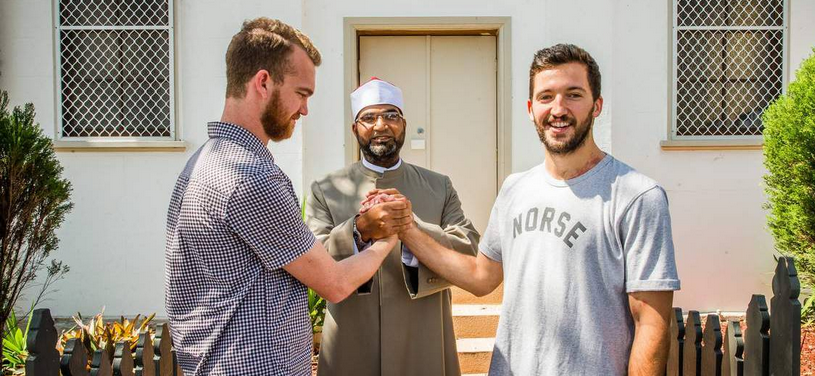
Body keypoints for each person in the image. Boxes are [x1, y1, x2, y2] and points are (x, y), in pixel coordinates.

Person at [398, 44, 680, 376]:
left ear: (597, 105)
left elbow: (651, 320)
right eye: (546, 97)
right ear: (531, 109)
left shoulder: (637, 195)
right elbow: (481, 277)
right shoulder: (514, 189)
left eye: (573, 95)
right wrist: (408, 230)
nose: (558, 108)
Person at [165, 19, 404, 376]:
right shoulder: (251, 176)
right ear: (263, 82)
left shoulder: (201, 162)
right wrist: (388, 236)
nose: (305, 110)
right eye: (302, 94)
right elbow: (335, 284)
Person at [305, 78, 480, 376]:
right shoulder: (326, 189)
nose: (380, 125)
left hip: (423, 332)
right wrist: (360, 229)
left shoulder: (439, 186)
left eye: (390, 115)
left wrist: (410, 227)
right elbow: (315, 260)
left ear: (404, 124)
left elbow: (468, 248)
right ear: (354, 128)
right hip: (353, 334)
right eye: (369, 118)